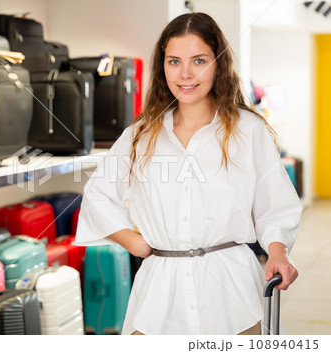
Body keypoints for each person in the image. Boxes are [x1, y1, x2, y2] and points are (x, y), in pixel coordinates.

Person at [75, 12, 302, 335]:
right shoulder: (141, 133)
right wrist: (136, 244)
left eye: (199, 61)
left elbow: (275, 205)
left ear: (219, 64)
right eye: (173, 61)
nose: (185, 74)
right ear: (161, 66)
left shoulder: (248, 131)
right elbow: (98, 194)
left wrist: (278, 250)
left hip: (234, 296)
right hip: (159, 296)